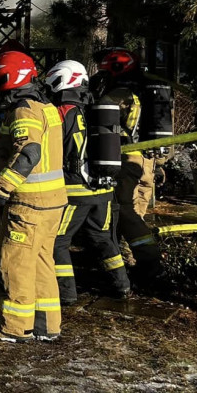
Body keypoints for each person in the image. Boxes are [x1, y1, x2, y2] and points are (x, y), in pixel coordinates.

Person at [0, 50, 68, 343]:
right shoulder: (47, 107)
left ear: (7, 78)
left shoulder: (23, 111)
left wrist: (1, 189)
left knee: (15, 263)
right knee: (42, 261)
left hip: (29, 204)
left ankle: (15, 327)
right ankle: (47, 326)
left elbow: (28, 153)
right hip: (53, 203)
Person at [44, 60, 131, 303]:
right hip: (102, 190)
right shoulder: (94, 107)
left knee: (58, 241)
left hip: (74, 191)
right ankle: (122, 286)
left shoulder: (61, 111)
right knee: (102, 239)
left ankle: (66, 294)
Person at [92, 48, 163, 282]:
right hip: (148, 158)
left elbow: (101, 115)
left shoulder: (120, 94)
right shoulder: (146, 89)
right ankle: (133, 261)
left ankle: (150, 259)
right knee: (137, 210)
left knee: (125, 212)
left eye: (105, 71)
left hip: (128, 157)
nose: (103, 76)